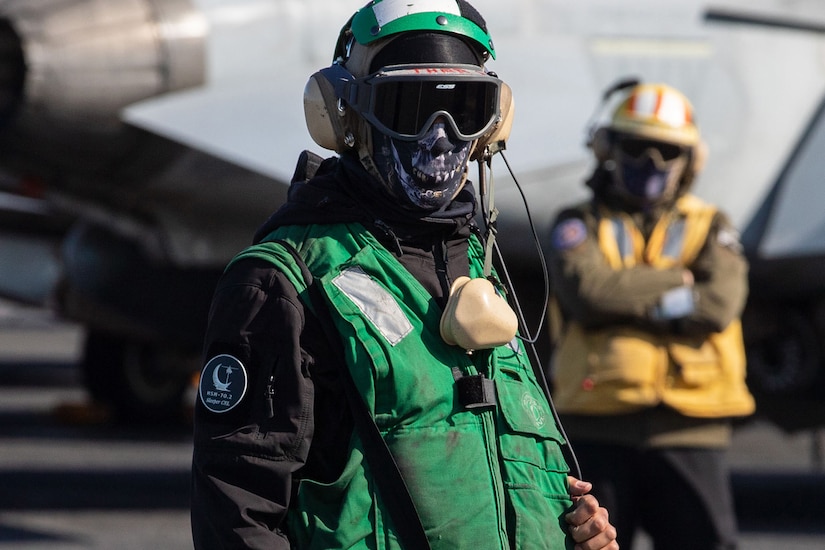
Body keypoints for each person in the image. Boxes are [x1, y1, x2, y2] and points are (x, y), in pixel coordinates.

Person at [191, 0, 618, 549]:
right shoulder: (286, 283)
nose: (439, 137)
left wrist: (576, 531)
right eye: (409, 105)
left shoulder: (482, 268)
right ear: (343, 113)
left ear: (493, 125)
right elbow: (238, 513)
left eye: (464, 107)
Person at [546, 81, 756, 549]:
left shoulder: (712, 224)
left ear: (690, 160)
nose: (652, 163)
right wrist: (676, 281)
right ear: (608, 149)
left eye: (667, 150)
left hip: (691, 430)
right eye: (637, 146)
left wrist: (628, 296)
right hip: (597, 423)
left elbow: (719, 304)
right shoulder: (576, 222)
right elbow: (589, 294)